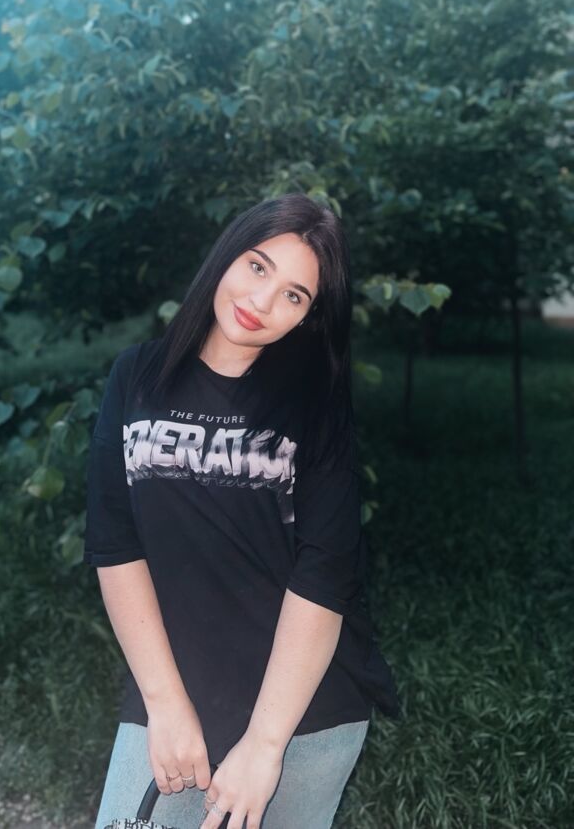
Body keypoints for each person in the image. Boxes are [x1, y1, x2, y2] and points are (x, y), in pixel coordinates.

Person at [83, 193, 400, 829]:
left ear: (309, 316)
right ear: (227, 255)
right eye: (257, 266)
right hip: (172, 687)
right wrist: (164, 702)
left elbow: (325, 573)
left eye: (294, 295)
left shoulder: (315, 402)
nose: (261, 301)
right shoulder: (137, 375)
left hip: (300, 708)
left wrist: (264, 744)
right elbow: (116, 544)